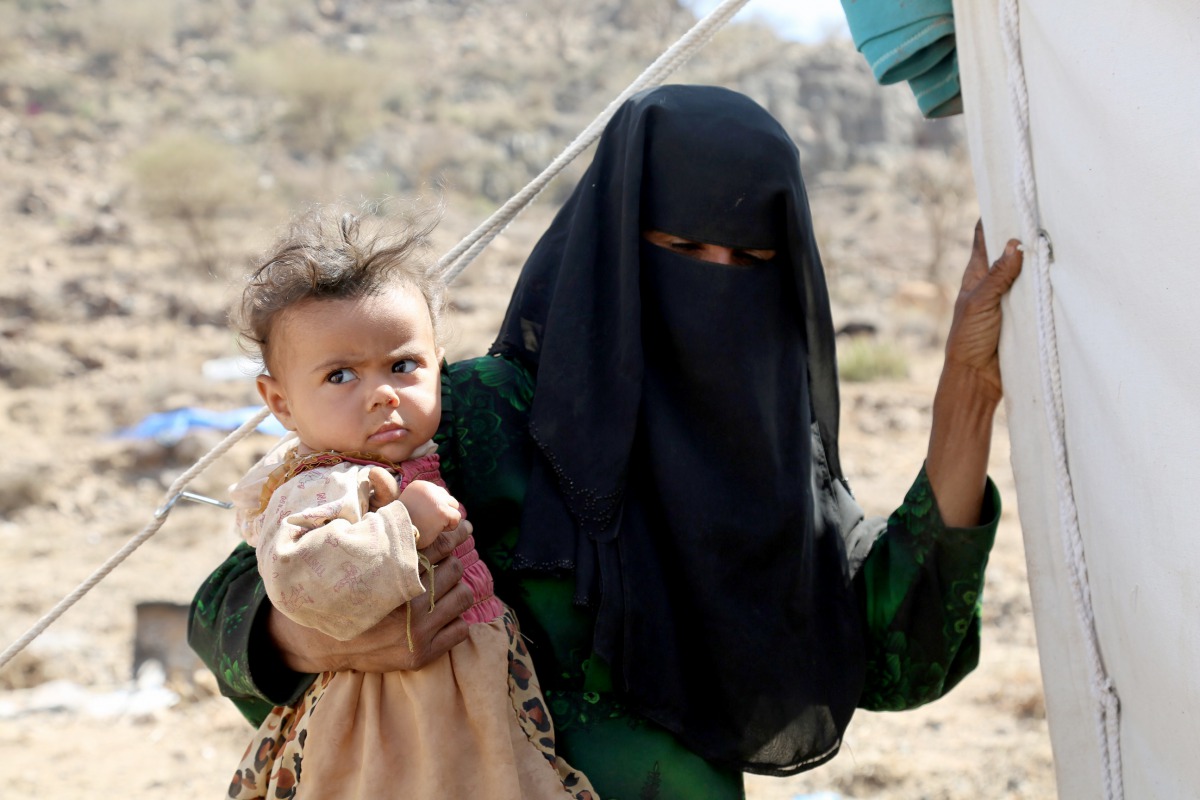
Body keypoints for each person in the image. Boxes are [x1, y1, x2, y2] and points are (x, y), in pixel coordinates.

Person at [190, 85, 1023, 798]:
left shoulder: (767, 471)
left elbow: (894, 655)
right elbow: (227, 605)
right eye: (682, 250)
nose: (710, 285)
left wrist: (968, 393)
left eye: (748, 260)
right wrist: (307, 635)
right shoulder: (482, 418)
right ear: (613, 253)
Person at [220, 207, 596, 799]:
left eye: (403, 366)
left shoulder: (422, 457)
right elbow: (297, 578)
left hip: (468, 700)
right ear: (281, 402)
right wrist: (404, 525)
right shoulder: (325, 481)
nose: (383, 395)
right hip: (386, 717)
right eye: (341, 376)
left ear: (438, 369)